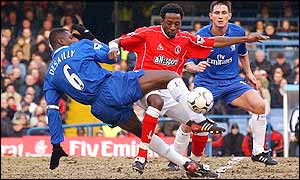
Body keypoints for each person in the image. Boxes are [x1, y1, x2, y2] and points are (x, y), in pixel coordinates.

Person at [108, 3, 270, 176]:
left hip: (171, 91)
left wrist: (246, 39)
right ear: (161, 21)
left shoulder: (186, 39)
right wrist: (112, 48)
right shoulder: (147, 33)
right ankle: (141, 156)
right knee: (157, 101)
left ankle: (194, 165)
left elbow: (214, 42)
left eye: (176, 24)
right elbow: (117, 41)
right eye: (169, 23)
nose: (172, 27)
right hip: (144, 87)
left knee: (200, 123)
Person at [44, 25, 211, 177]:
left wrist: (57, 144)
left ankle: (187, 164)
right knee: (171, 76)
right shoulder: (79, 46)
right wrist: (89, 36)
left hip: (100, 108)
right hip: (113, 86)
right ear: (61, 40)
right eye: (70, 37)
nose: (73, 39)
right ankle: (194, 119)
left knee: (143, 132)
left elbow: (52, 110)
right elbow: (111, 57)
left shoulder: (49, 75)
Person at [171, 1, 277, 167]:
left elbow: (243, 53)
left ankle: (258, 152)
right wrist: (196, 67)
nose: (220, 16)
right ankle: (175, 158)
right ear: (211, 16)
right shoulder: (201, 35)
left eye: (223, 13)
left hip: (232, 82)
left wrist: (248, 73)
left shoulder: (237, 32)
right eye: (217, 13)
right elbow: (188, 63)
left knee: (260, 105)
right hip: (206, 84)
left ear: (229, 15)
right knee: (190, 121)